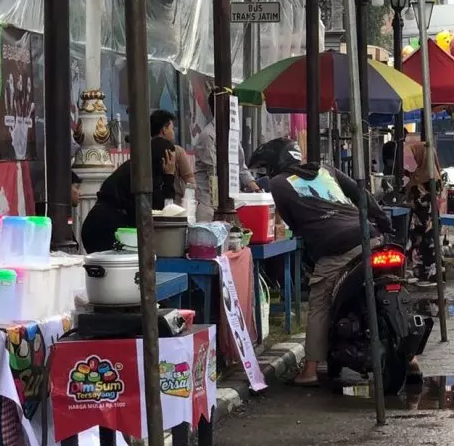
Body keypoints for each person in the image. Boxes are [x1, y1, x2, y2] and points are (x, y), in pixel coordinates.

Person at [248, 138, 399, 386]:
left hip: (336, 250)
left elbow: (295, 225)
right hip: (369, 236)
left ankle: (309, 371)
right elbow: (362, 195)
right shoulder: (327, 169)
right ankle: (411, 359)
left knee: (319, 302)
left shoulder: (278, 184)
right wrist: (384, 223)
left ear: (276, 163)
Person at [81, 137, 176, 253]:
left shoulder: (136, 167)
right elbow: (162, 207)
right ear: (164, 159)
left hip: (99, 224)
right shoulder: (143, 174)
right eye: (171, 159)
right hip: (107, 229)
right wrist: (169, 176)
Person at [194, 88, 260, 222]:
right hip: (209, 202)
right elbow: (213, 171)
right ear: (220, 109)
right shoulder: (208, 135)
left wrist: (256, 190)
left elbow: (241, 167)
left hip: (231, 200)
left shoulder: (233, 134)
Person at [405, 142, 442, 283]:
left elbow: (419, 202)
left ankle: (425, 271)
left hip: (424, 219)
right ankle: (428, 271)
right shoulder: (432, 176)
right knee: (428, 242)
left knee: (424, 242)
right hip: (427, 219)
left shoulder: (422, 179)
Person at [150, 109, 195, 205]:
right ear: (164, 130)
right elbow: (190, 181)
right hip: (175, 206)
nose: (173, 132)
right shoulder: (176, 151)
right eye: (172, 128)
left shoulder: (146, 151)